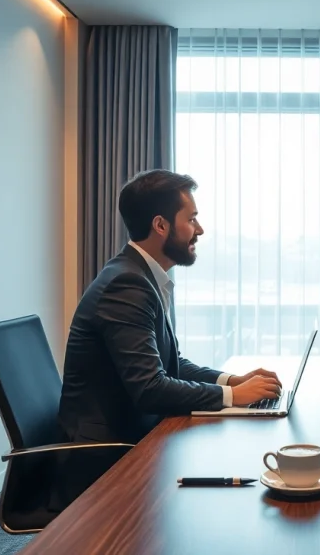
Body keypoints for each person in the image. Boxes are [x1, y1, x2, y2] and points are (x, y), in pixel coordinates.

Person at [52, 169, 281, 507]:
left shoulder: (140, 275)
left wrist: (232, 380)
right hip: (105, 461)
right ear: (161, 225)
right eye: (192, 219)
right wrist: (233, 395)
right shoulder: (126, 285)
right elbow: (150, 389)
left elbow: (171, 364)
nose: (199, 230)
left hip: (133, 438)